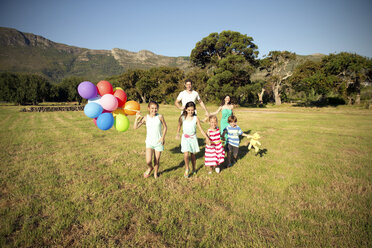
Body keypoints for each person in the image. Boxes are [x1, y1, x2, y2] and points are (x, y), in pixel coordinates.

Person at [176, 101, 211, 178]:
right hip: (185, 138)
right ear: (185, 109)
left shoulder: (196, 118)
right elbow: (179, 126)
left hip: (193, 138)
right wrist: (177, 133)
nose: (190, 112)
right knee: (186, 155)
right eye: (189, 110)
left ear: (194, 109)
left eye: (192, 110)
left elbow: (201, 129)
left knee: (193, 155)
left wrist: (207, 137)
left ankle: (194, 168)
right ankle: (187, 168)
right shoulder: (182, 118)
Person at [134, 101, 167, 179]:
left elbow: (165, 127)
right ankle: (150, 168)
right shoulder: (146, 118)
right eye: (152, 108)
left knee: (156, 160)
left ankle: (155, 174)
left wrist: (163, 137)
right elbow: (135, 127)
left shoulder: (160, 117)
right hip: (149, 142)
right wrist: (136, 118)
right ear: (148, 108)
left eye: (156, 108)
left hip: (158, 142)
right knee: (148, 161)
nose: (154, 110)